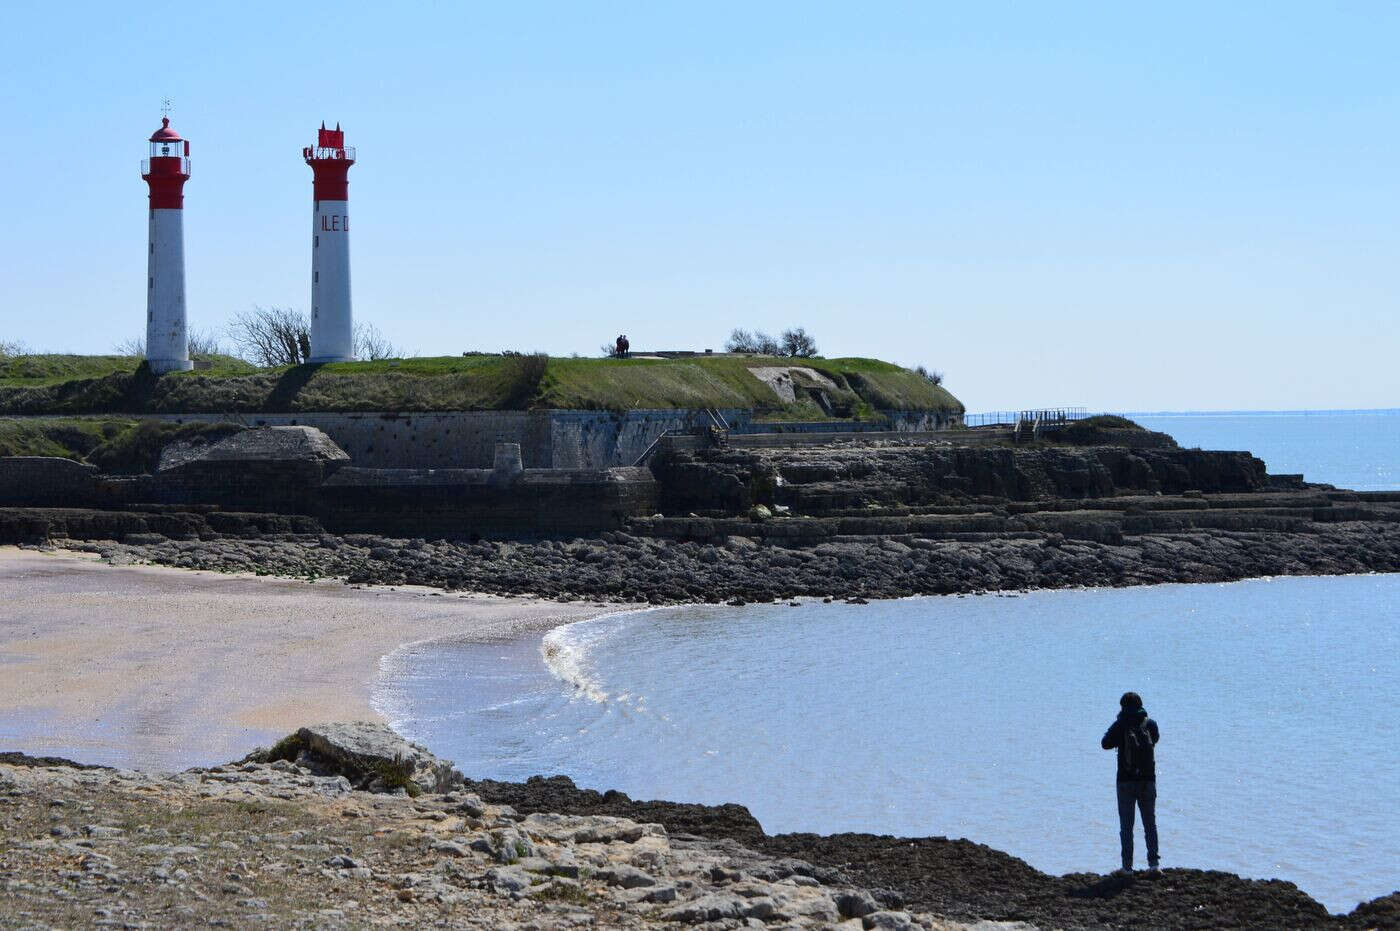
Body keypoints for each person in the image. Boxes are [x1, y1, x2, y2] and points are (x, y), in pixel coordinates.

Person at [1101, 691, 1160, 872]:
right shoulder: (1149, 724)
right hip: (1148, 780)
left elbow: (1105, 743)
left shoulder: (1121, 724)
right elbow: (1155, 739)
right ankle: (1154, 865)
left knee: (1127, 826)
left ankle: (1127, 868)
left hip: (1125, 781)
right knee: (1149, 822)